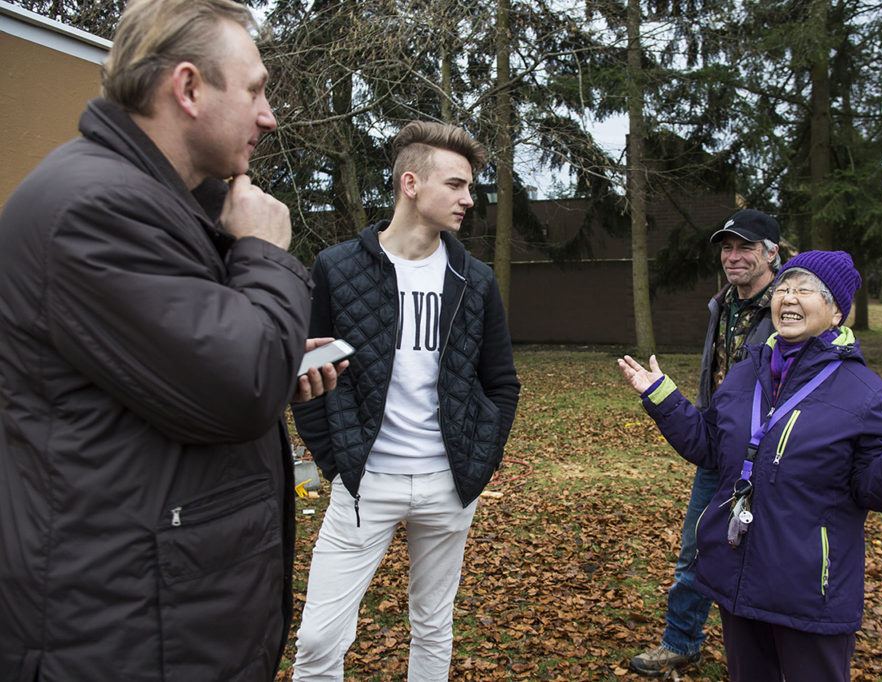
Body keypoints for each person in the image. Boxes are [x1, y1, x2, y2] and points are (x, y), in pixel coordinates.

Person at [0, 1, 341, 680]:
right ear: (187, 89)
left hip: (162, 610)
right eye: (254, 90)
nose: (268, 115)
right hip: (121, 630)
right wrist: (265, 252)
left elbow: (186, 369)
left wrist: (276, 358)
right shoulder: (96, 210)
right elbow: (236, 389)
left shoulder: (154, 204)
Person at [619, 251, 882, 681]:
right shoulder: (746, 374)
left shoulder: (866, 393)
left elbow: (874, 489)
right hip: (738, 579)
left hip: (808, 592)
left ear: (837, 310)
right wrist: (662, 397)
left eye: (805, 290)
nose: (789, 297)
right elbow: (711, 448)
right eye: (783, 288)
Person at [290, 121, 521, 681]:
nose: (470, 198)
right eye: (458, 184)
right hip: (365, 485)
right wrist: (335, 462)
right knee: (320, 640)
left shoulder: (476, 279)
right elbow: (307, 373)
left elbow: (501, 382)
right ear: (411, 183)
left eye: (472, 187)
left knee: (434, 626)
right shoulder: (339, 268)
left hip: (449, 486)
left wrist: (478, 462)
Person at [630, 208, 781, 676]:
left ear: (772, 252)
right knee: (697, 545)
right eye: (727, 247)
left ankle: (774, 649)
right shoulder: (724, 303)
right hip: (717, 443)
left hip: (767, 453)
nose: (733, 257)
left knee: (769, 553)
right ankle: (681, 640)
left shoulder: (786, 306)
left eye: (745, 247)